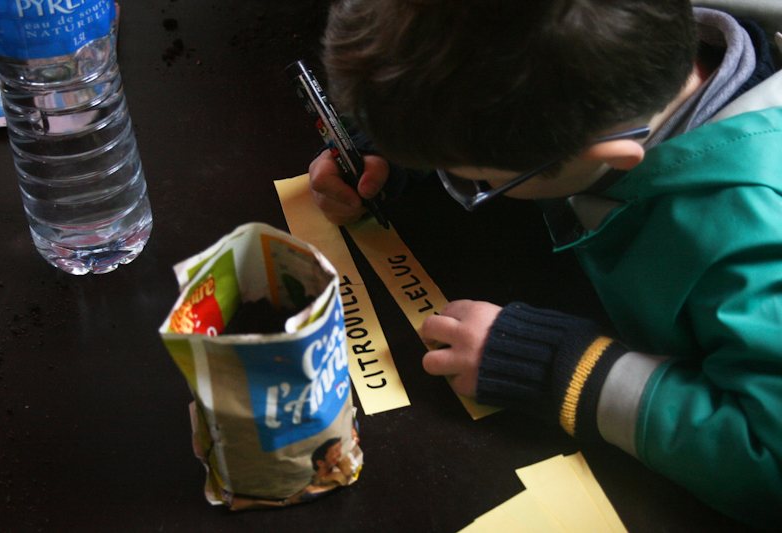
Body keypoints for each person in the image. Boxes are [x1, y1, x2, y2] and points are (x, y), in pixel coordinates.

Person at [307, 0, 782, 528]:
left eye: (475, 179)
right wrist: (401, 144)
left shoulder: (752, 236)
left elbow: (770, 464)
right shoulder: (610, 43)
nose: (462, 179)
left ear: (610, 158)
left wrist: (564, 366)